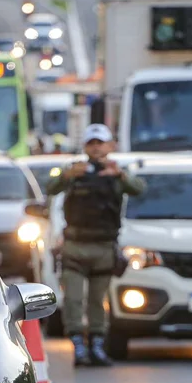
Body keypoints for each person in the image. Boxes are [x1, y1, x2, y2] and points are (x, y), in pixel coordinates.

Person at [44, 124, 145, 367]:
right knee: (74, 300)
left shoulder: (115, 173)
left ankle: (97, 345)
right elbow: (50, 188)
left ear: (110, 146)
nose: (96, 147)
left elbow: (139, 189)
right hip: (75, 247)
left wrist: (120, 175)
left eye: (101, 143)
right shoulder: (75, 171)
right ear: (85, 146)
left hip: (103, 247)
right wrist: (67, 175)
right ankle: (78, 346)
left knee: (98, 301)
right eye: (92, 143)